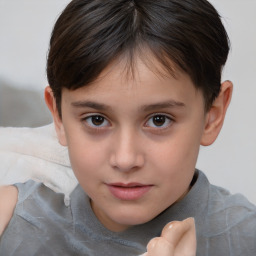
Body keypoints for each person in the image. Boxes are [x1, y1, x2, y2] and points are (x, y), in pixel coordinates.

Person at [0, 0, 255, 255]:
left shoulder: (245, 239)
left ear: (212, 115)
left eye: (159, 120)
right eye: (96, 120)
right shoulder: (12, 222)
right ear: (59, 116)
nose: (125, 159)